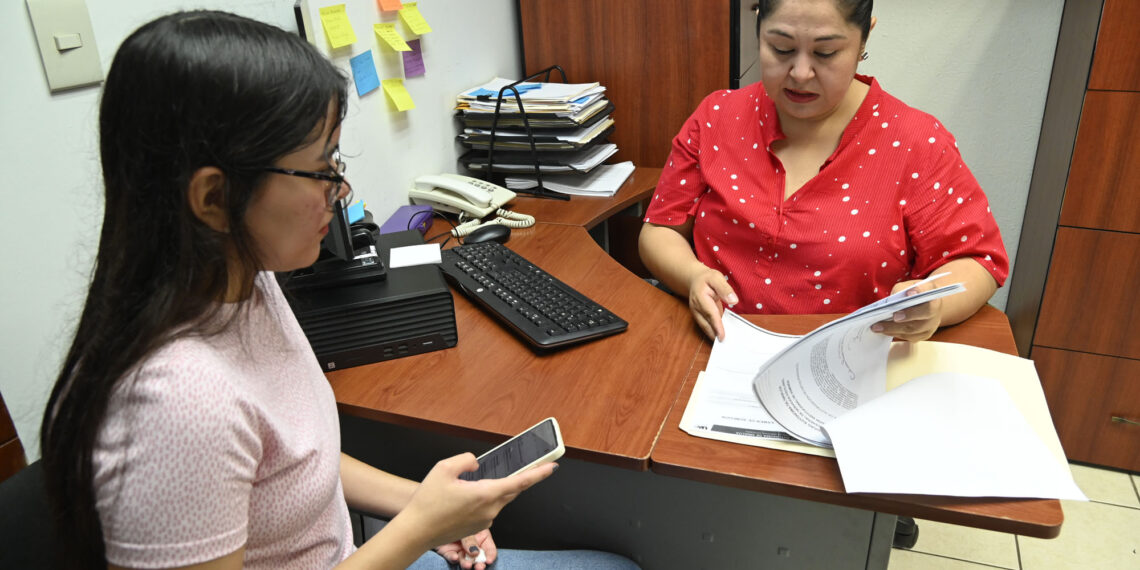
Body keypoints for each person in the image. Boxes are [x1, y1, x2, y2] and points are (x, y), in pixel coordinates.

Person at [38, 11, 637, 570]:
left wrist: (425, 506)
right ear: (214, 198)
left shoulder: (248, 283)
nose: (342, 191)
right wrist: (416, 532)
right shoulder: (175, 407)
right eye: (321, 169)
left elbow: (302, 465)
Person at [639, 0, 1009, 343]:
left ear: (865, 37)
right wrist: (692, 275)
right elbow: (660, 229)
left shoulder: (916, 142)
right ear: (758, 29)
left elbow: (978, 261)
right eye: (781, 48)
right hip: (715, 350)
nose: (800, 73)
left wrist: (933, 306)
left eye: (826, 52)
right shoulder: (718, 116)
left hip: (850, 365)